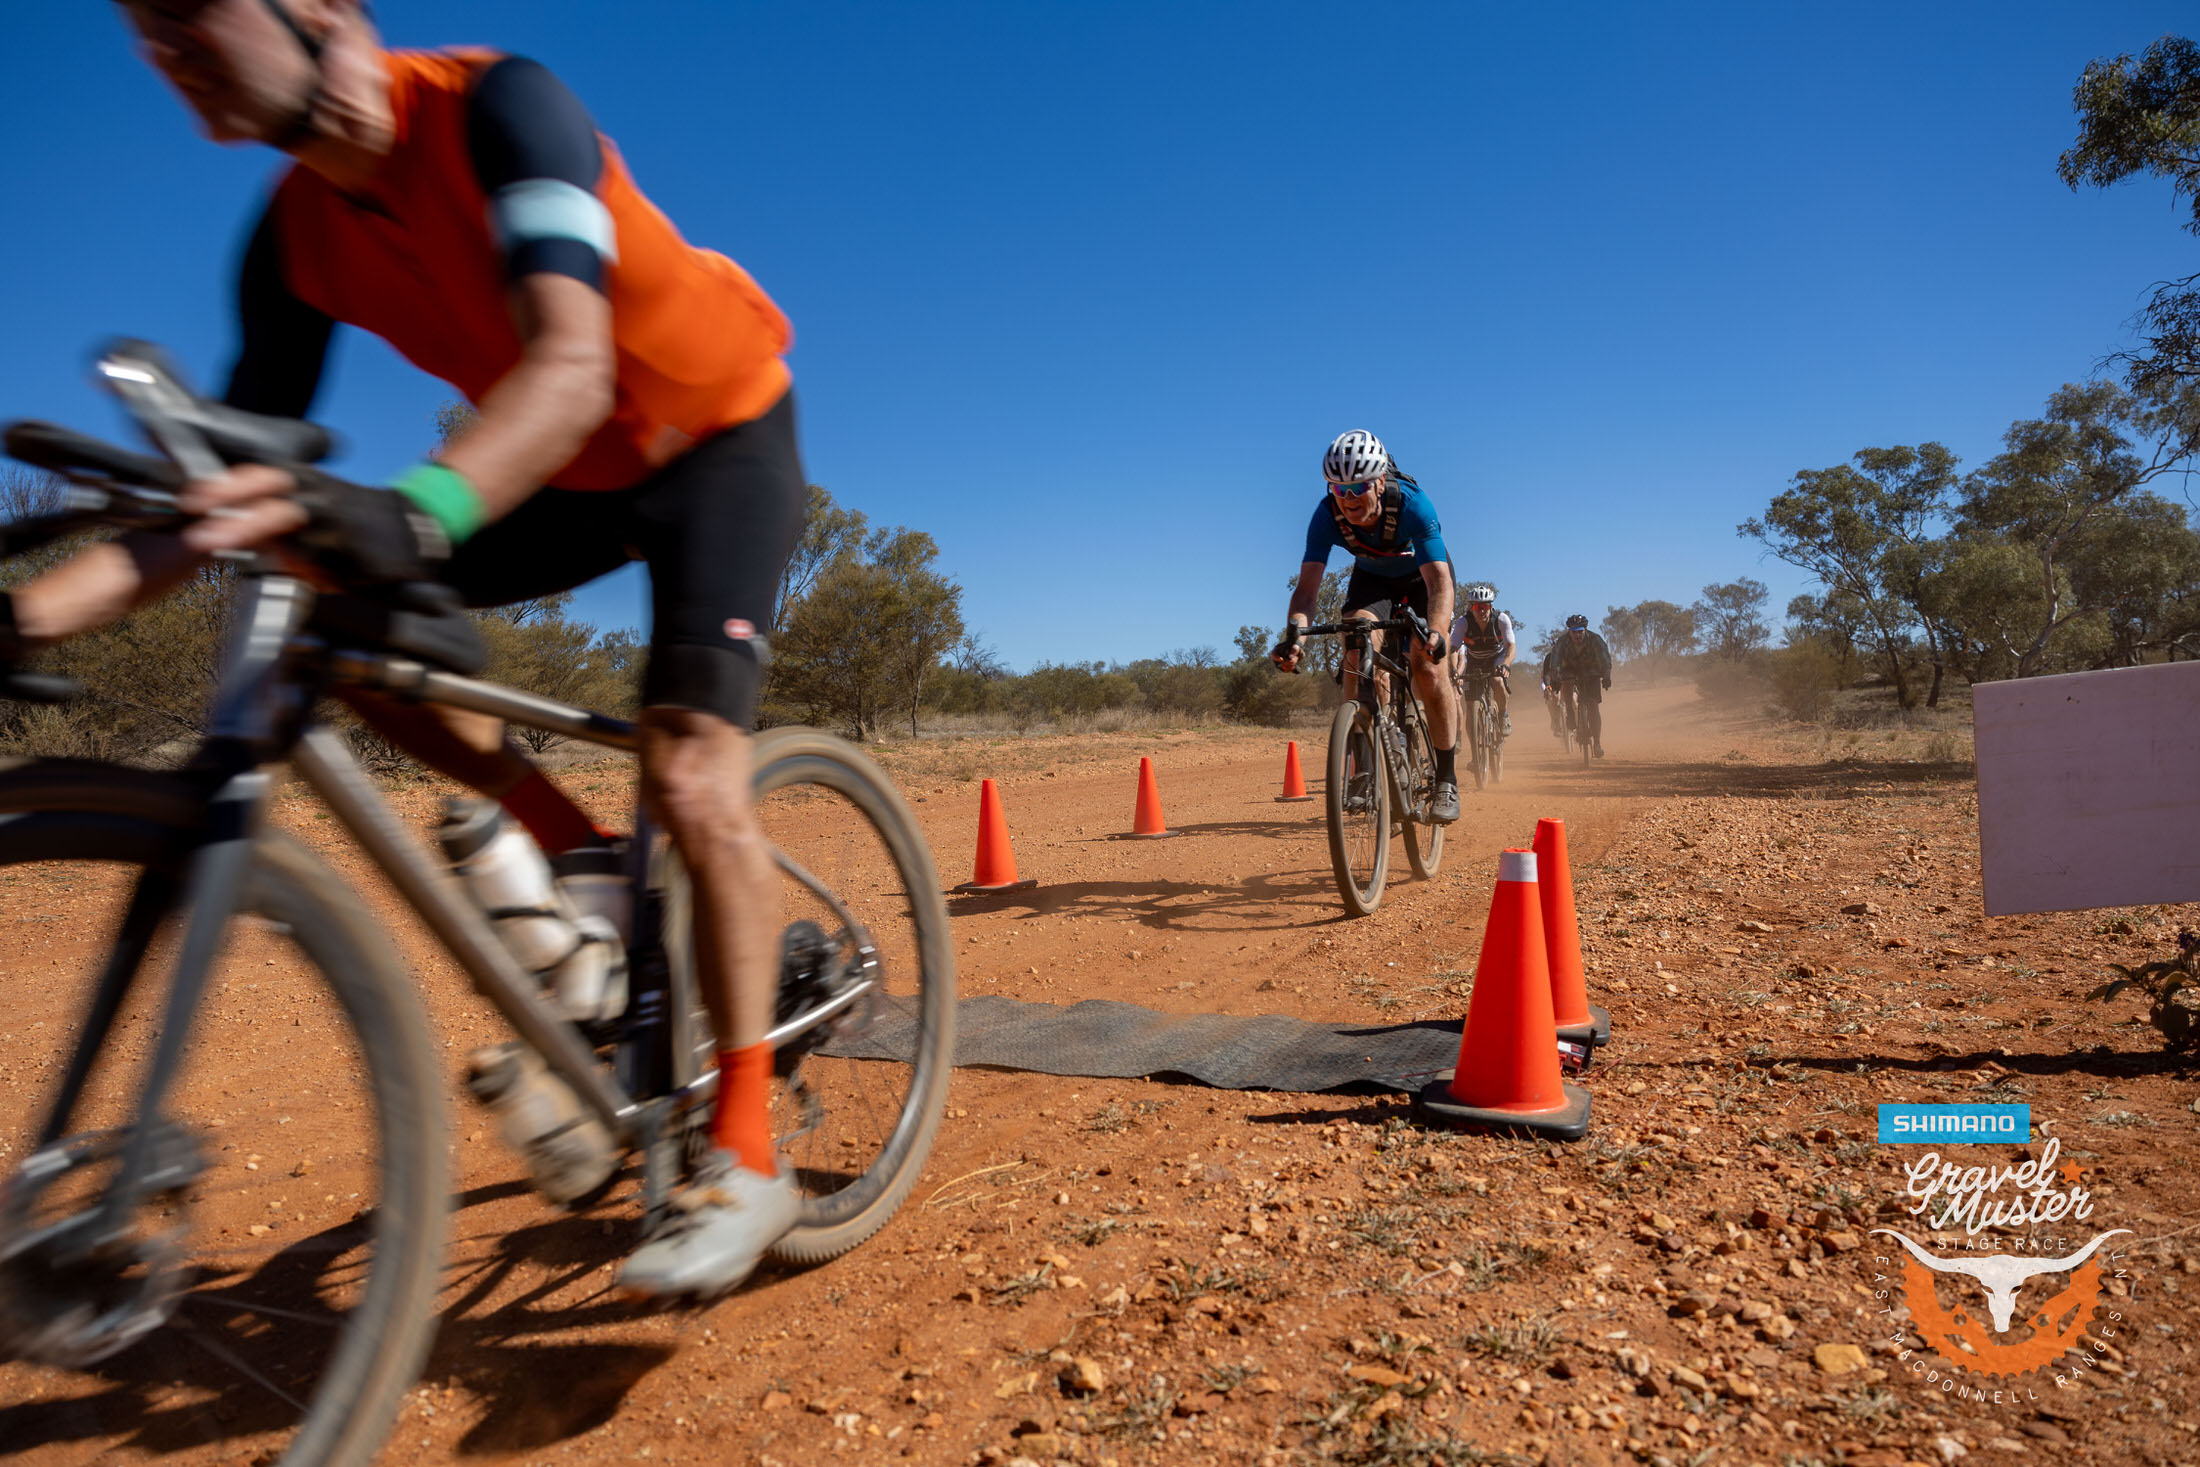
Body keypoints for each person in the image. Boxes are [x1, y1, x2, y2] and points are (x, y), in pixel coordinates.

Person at [1, 0, 801, 1298]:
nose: (173, 60)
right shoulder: (292, 239)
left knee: (698, 773)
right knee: (331, 607)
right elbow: (219, 504)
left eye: (191, 19)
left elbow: (573, 365)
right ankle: (588, 855)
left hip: (712, 433)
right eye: (150, 43)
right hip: (570, 471)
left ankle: (749, 1153)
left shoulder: (497, 108)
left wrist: (414, 510)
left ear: (314, 11)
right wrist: (27, 613)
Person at [1271, 429, 1460, 823]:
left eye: (1357, 487)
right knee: (1356, 643)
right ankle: (1365, 769)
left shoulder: (1413, 505)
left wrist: (1438, 633)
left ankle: (1446, 778)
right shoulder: (1326, 515)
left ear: (1378, 481)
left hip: (1422, 579)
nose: (1349, 499)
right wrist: (1294, 637)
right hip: (1373, 580)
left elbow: (1439, 582)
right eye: (1339, 490)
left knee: (1426, 664)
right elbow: (1306, 591)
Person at [1447, 583, 1515, 737]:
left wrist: (1506, 664)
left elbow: (1511, 646)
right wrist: (1452, 669)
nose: (1482, 610)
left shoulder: (1501, 619)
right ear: (1471, 608)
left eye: (1485, 606)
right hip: (1475, 660)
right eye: (1477, 607)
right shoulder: (1462, 622)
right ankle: (1475, 757)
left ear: (1491, 607)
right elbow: (1453, 649)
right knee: (1470, 707)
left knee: (1497, 682)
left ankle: (1503, 715)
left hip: (1496, 658)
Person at [1552, 614, 1614, 757]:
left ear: (1585, 629)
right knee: (1566, 683)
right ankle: (1569, 712)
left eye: (1580, 631)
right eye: (1574, 631)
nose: (1577, 635)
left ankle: (1597, 744)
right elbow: (1554, 662)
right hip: (1570, 670)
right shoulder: (1562, 642)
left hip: (1591, 670)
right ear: (1569, 631)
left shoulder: (1595, 640)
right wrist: (1555, 679)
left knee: (1593, 705)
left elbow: (1604, 659)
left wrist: (1606, 677)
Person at [1538, 641, 1567, 738]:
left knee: (1575, 701)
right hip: (1554, 683)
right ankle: (1556, 723)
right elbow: (1546, 674)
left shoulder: (1568, 656)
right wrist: (1547, 686)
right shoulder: (1549, 658)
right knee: (1554, 699)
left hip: (1568, 681)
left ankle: (1579, 723)